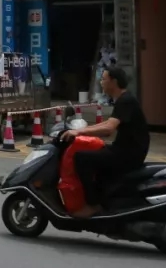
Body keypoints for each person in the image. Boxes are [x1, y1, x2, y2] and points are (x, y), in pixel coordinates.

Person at [61, 66, 150, 218]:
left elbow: (108, 129)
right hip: (125, 150)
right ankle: (105, 198)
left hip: (128, 154)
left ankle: (93, 205)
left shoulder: (125, 100)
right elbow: (108, 122)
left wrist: (79, 132)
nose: (101, 82)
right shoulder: (123, 99)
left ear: (113, 82)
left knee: (81, 158)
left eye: (103, 79)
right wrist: (82, 129)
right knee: (95, 153)